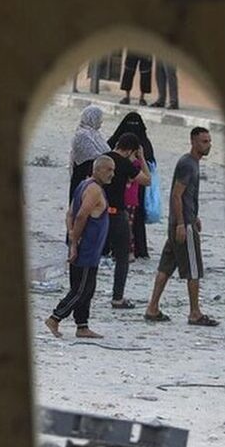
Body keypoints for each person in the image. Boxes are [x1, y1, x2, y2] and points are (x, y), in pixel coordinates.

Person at [143, 127, 218, 326]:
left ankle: (152, 308)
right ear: (193, 142)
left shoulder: (192, 163)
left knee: (166, 266)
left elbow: (187, 196)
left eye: (209, 141)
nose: (208, 145)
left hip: (181, 222)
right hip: (182, 226)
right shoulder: (187, 164)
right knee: (193, 269)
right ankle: (195, 313)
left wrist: (194, 216)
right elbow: (177, 195)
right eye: (204, 141)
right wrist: (182, 223)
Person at [46, 155, 115, 339]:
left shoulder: (83, 185)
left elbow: (69, 214)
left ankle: (82, 325)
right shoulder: (94, 190)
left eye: (113, 170)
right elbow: (80, 216)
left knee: (86, 288)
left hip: (88, 247)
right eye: (109, 170)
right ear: (97, 169)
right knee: (81, 289)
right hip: (86, 248)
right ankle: (55, 317)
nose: (112, 174)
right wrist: (75, 243)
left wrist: (71, 235)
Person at [103, 133, 151, 309]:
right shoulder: (125, 164)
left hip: (98, 211)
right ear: (131, 150)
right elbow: (147, 180)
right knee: (122, 257)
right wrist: (142, 158)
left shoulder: (103, 159)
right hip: (117, 213)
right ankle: (117, 297)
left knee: (93, 254)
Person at [107, 112, 156, 258]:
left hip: (119, 198)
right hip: (130, 198)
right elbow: (148, 178)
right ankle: (126, 252)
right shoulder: (129, 162)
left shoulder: (107, 155)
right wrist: (141, 158)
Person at [70, 105, 108, 202]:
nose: (101, 121)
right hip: (84, 176)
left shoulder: (96, 134)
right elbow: (92, 155)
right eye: (99, 118)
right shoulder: (82, 135)